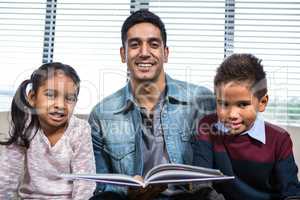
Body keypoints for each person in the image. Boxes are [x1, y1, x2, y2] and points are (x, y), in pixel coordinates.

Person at [89, 9, 220, 200]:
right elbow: (100, 184)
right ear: (123, 54)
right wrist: (128, 191)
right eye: (135, 45)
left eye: (153, 44)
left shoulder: (202, 101)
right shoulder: (101, 114)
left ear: (165, 53)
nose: (144, 53)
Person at [193, 53, 300, 200]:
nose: (232, 114)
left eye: (243, 104)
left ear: (262, 102)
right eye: (223, 104)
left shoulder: (279, 139)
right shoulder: (207, 128)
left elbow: (291, 193)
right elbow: (200, 185)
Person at [0, 62, 96, 199]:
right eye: (50, 95)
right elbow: (7, 177)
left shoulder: (80, 130)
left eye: (69, 98)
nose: (60, 105)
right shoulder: (24, 126)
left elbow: (85, 181)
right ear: (33, 98)